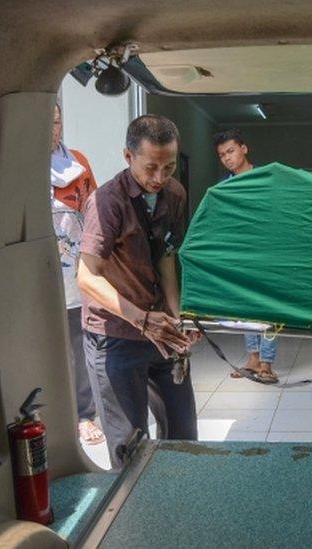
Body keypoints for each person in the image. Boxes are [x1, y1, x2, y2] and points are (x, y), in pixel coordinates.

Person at [77, 114, 199, 467]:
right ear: (128, 157)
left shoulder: (174, 194)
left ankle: (180, 506)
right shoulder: (107, 202)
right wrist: (139, 318)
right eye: (151, 167)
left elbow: (165, 257)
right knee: (130, 446)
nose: (159, 178)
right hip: (114, 334)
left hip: (159, 329)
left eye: (169, 167)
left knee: (183, 435)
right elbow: (87, 277)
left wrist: (178, 317)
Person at [49, 102, 105, 446]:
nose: (51, 129)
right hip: (36, 273)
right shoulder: (18, 164)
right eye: (45, 122)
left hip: (72, 271)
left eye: (56, 122)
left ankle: (84, 415)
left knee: (77, 345)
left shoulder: (78, 162)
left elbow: (95, 210)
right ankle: (50, 414)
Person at [213, 128, 280, 383]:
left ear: (244, 148)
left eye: (230, 151)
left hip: (267, 254)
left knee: (269, 309)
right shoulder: (223, 187)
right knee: (245, 308)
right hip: (239, 255)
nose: (227, 158)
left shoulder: (266, 178)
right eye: (221, 155)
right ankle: (252, 359)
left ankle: (267, 363)